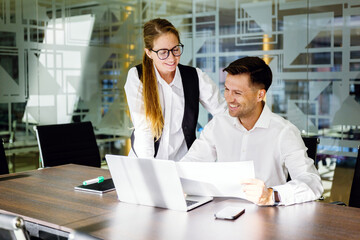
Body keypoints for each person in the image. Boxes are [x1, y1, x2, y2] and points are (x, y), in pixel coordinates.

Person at [181, 56, 324, 206]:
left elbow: (312, 182)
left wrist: (271, 195)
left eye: (237, 93)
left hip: (266, 219)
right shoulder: (218, 124)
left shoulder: (284, 132)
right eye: (227, 90)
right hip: (221, 215)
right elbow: (190, 164)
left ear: (260, 95)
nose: (229, 99)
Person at [125, 18, 226, 161]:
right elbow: (144, 130)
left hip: (183, 165)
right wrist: (149, 170)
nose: (172, 58)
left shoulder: (194, 76)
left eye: (175, 49)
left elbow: (223, 113)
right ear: (149, 53)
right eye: (163, 52)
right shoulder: (137, 76)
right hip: (145, 161)